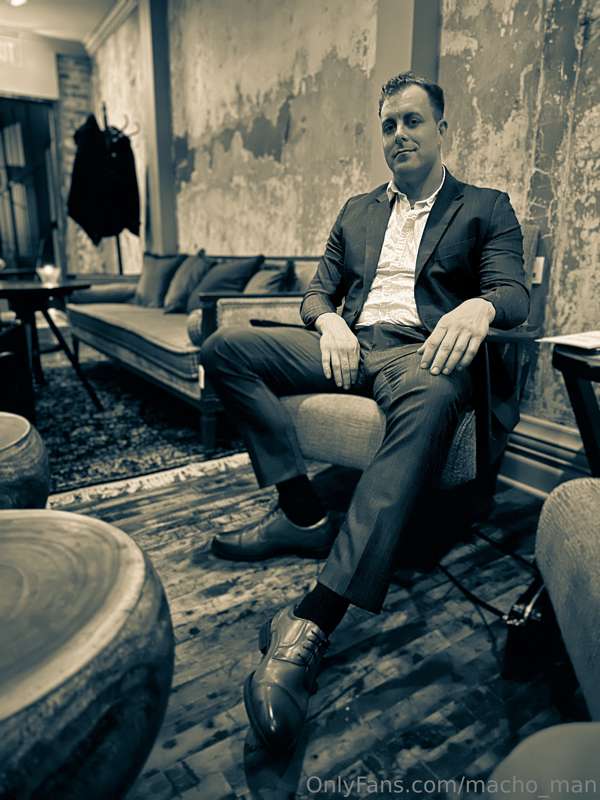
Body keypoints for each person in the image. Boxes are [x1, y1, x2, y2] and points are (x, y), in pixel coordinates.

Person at [200, 71, 529, 754]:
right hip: (348, 348)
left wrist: (479, 305)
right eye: (389, 124)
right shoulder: (356, 210)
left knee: (435, 393)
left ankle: (313, 619)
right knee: (226, 347)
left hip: (419, 354)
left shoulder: (484, 207)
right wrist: (329, 324)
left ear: (442, 129)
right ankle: (302, 512)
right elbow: (316, 294)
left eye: (412, 120)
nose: (399, 134)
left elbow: (514, 293)